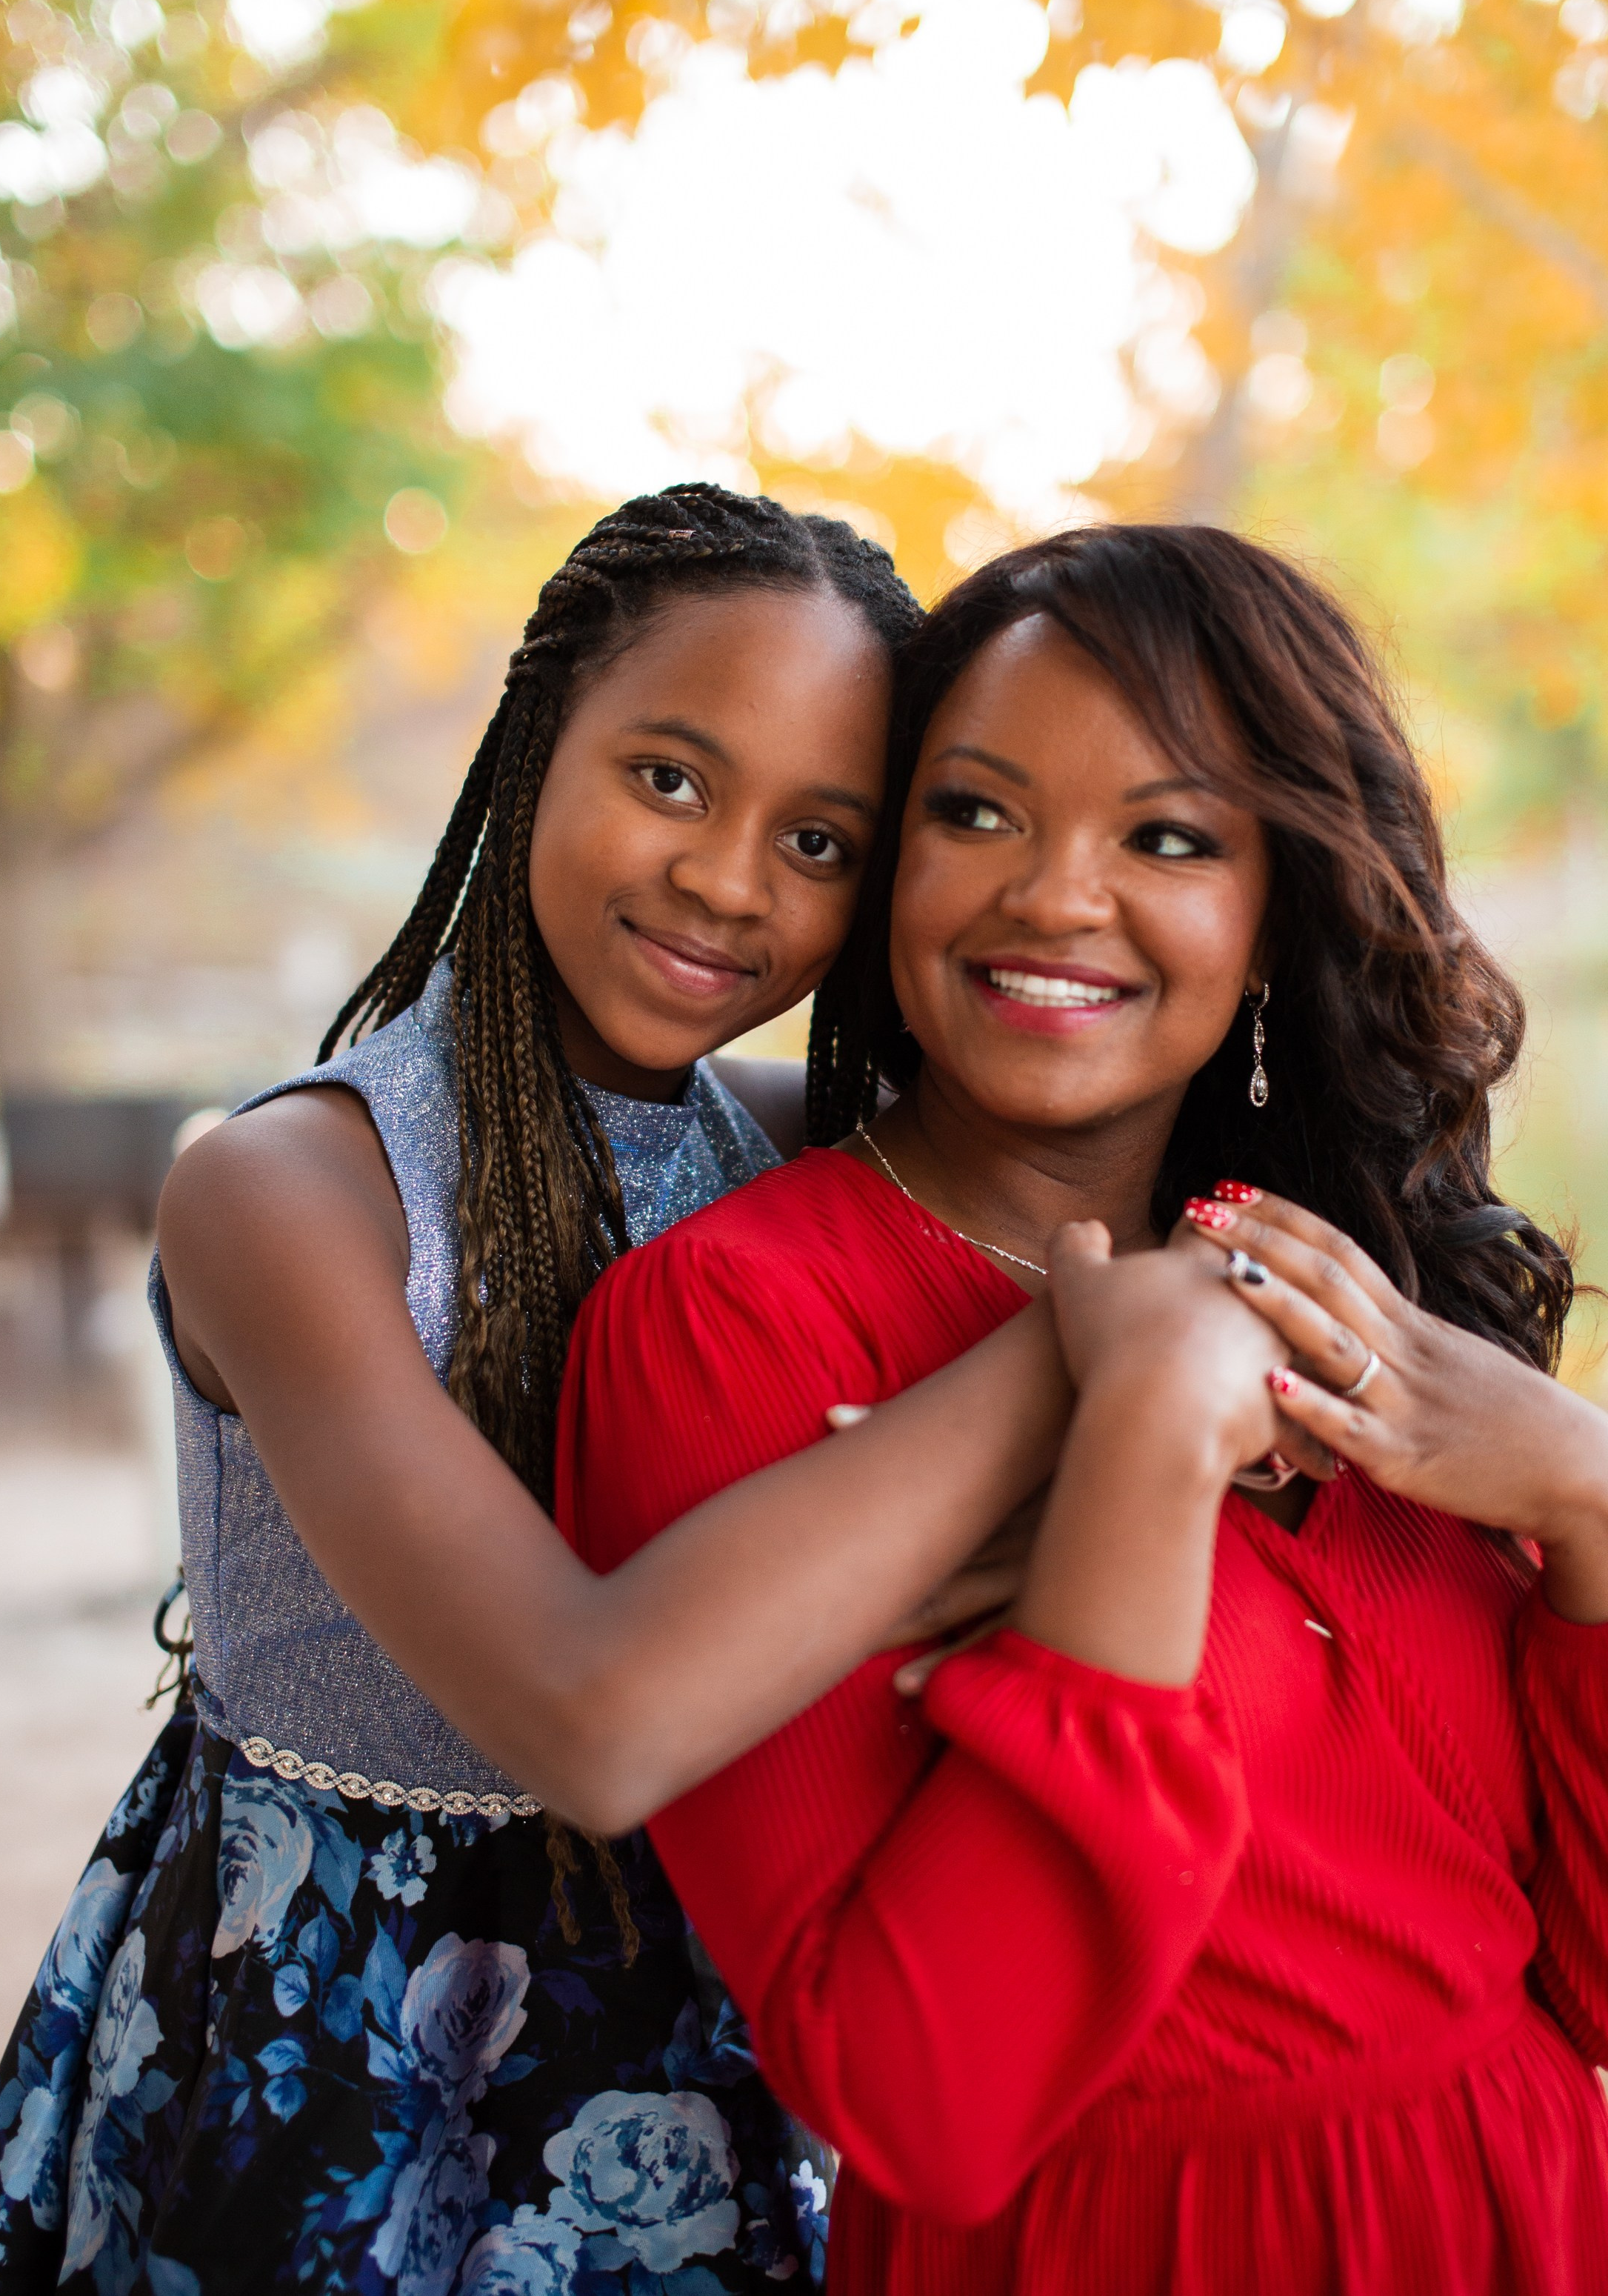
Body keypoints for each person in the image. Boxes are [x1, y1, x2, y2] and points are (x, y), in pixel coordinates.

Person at [0, 487, 1070, 2296]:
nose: (730, 880)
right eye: (668, 779)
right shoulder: (298, 1193)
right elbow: (587, 1714)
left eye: (818, 840)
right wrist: (1072, 1364)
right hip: (325, 2045)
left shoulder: (797, 1161)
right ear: (534, 738)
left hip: (697, 2021)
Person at [559, 522, 1608, 2295]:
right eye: (974, 812)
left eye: (1168, 838)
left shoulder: (1350, 1285)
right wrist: (1139, 1439)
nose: (1051, 896)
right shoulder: (733, 1322)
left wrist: (1584, 1494)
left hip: (1521, 2222)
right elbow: (914, 2100)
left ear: (1275, 915)